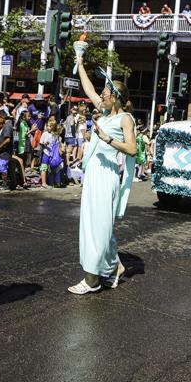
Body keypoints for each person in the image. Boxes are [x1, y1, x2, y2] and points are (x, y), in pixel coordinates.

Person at [68, 42, 137, 295]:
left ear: (116, 98)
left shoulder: (124, 119)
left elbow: (132, 150)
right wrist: (80, 60)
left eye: (106, 92)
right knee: (91, 226)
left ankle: (93, 279)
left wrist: (107, 138)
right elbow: (87, 87)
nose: (101, 95)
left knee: (98, 228)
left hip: (107, 177)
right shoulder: (104, 113)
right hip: (93, 174)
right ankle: (114, 266)